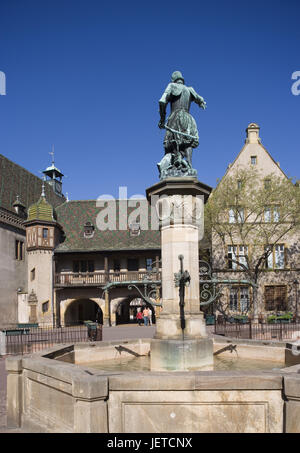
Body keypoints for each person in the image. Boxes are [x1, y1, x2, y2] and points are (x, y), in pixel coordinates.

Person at [157, 70, 206, 179]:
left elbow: (162, 101)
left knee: (170, 145)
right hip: (188, 118)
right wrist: (201, 103)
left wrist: (162, 119)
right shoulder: (190, 90)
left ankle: (172, 166)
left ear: (174, 80)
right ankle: (189, 165)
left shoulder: (172, 86)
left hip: (175, 117)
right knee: (187, 142)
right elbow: (200, 100)